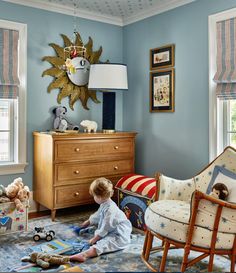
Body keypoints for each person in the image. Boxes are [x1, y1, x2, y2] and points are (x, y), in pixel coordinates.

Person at [70, 177, 132, 262]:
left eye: (94, 196)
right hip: (112, 229)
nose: (94, 198)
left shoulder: (111, 210)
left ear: (99, 197)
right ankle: (93, 240)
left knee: (104, 244)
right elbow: (98, 215)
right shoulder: (105, 204)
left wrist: (95, 239)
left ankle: (84, 255)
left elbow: (106, 227)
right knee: (95, 230)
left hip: (119, 235)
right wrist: (89, 221)